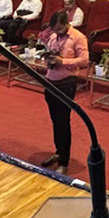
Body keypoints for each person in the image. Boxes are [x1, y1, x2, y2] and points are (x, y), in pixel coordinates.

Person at [40, 11, 89, 175]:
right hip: (51, 80)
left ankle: (64, 161)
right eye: (55, 29)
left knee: (63, 122)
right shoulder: (54, 36)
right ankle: (58, 151)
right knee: (54, 121)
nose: (57, 32)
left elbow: (84, 60)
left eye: (60, 29)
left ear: (66, 24)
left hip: (66, 83)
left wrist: (63, 62)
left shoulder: (78, 37)